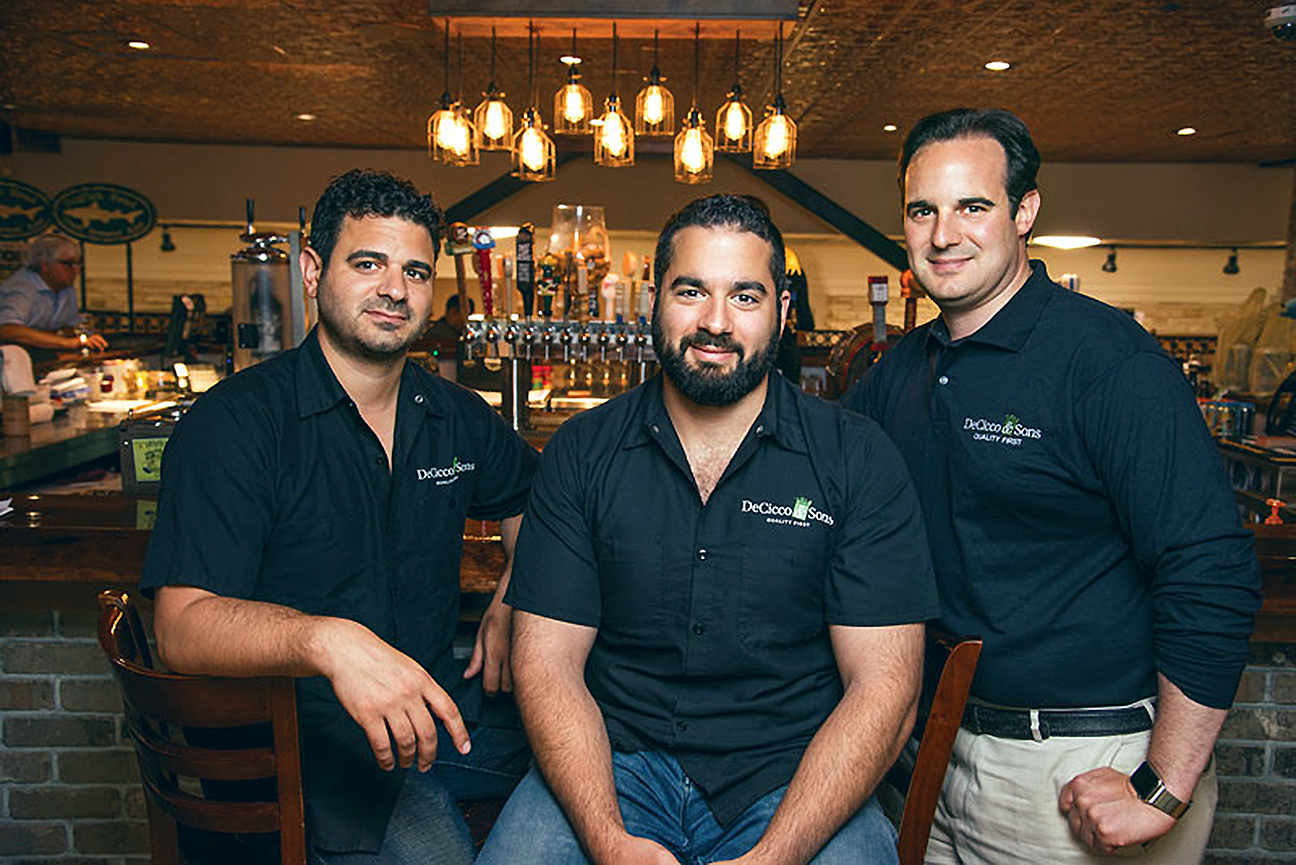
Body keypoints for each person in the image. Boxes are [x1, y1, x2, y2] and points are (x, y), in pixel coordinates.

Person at [842, 108, 1261, 864]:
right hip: (936, 759)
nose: (944, 233)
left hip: (1077, 766)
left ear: (1025, 211)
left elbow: (1212, 572)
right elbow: (816, 483)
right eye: (922, 209)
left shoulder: (1106, 362)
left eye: (973, 206)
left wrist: (1161, 784)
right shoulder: (903, 369)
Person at [479, 194, 939, 865]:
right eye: (692, 290)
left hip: (793, 775)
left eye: (745, 296)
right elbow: (546, 665)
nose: (716, 322)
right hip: (614, 765)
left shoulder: (857, 459)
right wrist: (606, 837)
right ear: (654, 300)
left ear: (782, 313)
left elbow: (886, 690)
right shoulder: (583, 452)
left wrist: (775, 855)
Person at [141, 169, 537, 864]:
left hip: (429, 717)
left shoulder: (450, 414)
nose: (395, 288)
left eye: (415, 271)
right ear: (312, 269)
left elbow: (539, 498)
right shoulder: (238, 423)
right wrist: (330, 642)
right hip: (299, 753)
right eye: (369, 263)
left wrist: (516, 587)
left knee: (596, 758)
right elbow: (180, 625)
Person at [0, 233, 108, 358]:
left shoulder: (65, 288)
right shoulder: (22, 288)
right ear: (45, 266)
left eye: (78, 264)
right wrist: (68, 343)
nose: (76, 271)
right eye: (68, 264)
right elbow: (7, 329)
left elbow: (71, 327)